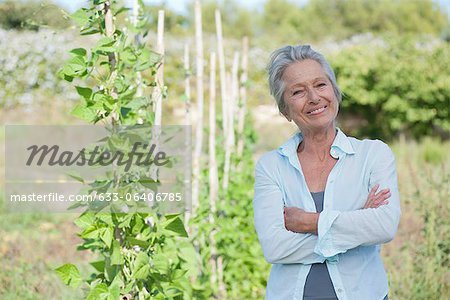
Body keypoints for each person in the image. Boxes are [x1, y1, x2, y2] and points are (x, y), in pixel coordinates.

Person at [253, 45, 401, 300]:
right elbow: (275, 247)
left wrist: (309, 222)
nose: (313, 97)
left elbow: (384, 226)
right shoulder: (271, 166)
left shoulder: (373, 155)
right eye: (298, 91)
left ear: (334, 91)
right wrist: (356, 223)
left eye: (320, 85)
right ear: (284, 110)